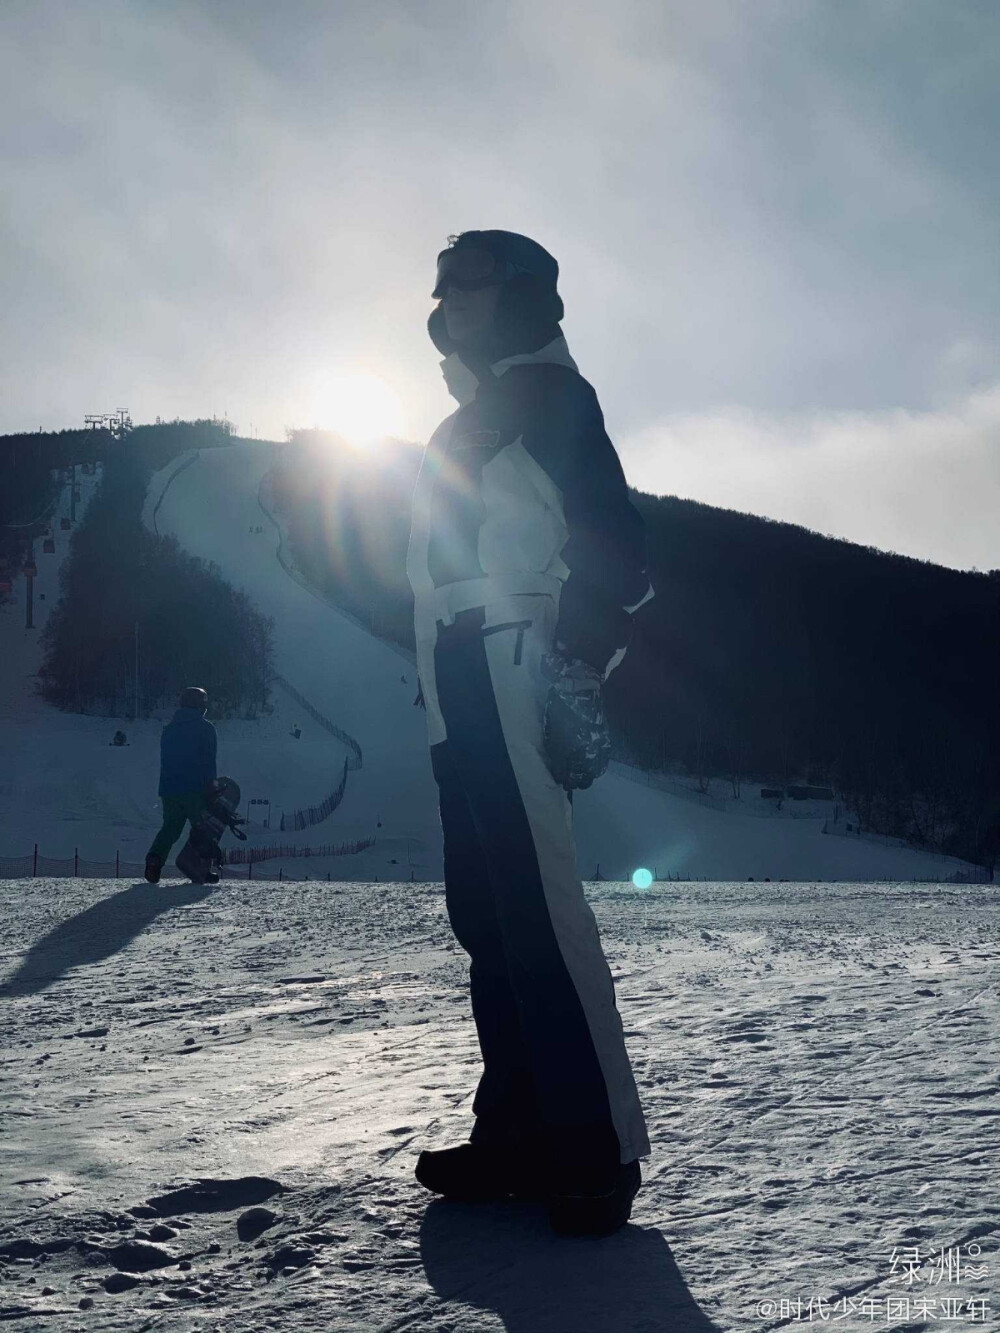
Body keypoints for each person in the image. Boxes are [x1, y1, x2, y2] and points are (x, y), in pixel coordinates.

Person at [406, 230, 654, 1236]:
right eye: (442, 287)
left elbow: (622, 556)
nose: (449, 301)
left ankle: (596, 1148)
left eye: (471, 284)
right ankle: (518, 1134)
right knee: (490, 919)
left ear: (518, 297)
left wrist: (573, 672)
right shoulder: (476, 410)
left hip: (513, 648)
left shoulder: (551, 397)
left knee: (541, 913)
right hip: (452, 666)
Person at [144, 686, 218, 884]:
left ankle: (154, 859)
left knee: (170, 828)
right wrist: (211, 785)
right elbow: (209, 760)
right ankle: (200, 868)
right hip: (196, 790)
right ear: (200, 706)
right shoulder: (206, 728)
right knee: (204, 829)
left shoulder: (169, 730)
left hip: (169, 790)